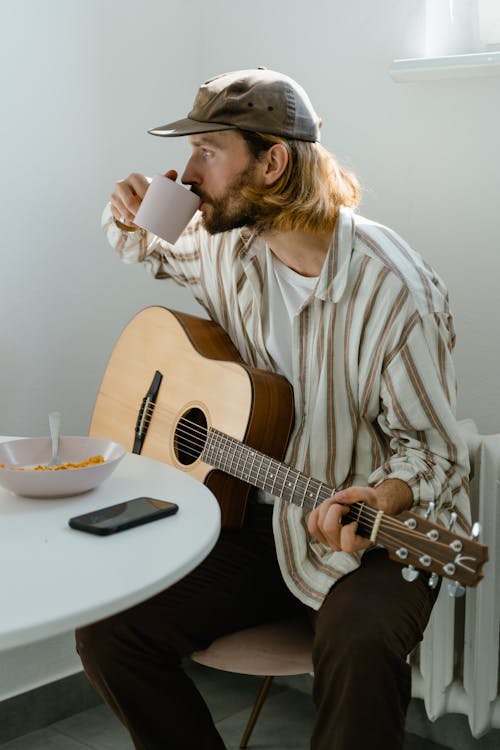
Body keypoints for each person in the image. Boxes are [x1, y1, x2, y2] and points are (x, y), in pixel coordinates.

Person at [77, 68, 471, 750]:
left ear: (272, 162)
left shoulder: (395, 292)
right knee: (109, 630)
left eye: (207, 150)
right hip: (261, 523)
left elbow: (434, 453)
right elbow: (145, 243)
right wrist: (131, 206)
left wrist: (379, 495)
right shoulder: (226, 243)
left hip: (375, 535)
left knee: (358, 641)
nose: (189, 170)